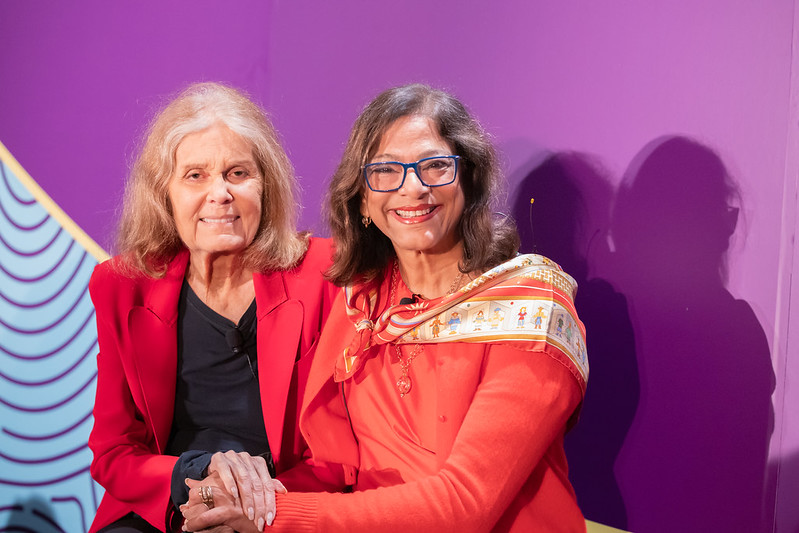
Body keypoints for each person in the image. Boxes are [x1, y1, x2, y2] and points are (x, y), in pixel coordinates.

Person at [182, 83, 589, 532]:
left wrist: (270, 518)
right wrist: (240, 497)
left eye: (435, 166)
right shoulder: (361, 301)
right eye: (386, 171)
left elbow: (464, 505)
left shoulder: (530, 308)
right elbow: (337, 471)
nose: (413, 188)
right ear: (361, 198)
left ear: (468, 178)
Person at [88, 82, 339, 533]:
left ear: (267, 185)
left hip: (283, 501)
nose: (220, 193)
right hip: (167, 505)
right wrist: (198, 477)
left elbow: (339, 456)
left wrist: (254, 502)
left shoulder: (323, 275)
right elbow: (114, 454)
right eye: (195, 175)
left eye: (238, 173)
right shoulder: (122, 286)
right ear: (164, 194)